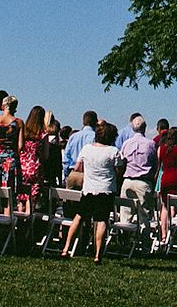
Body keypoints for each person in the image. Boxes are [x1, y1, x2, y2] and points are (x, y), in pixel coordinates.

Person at [62, 119, 122, 262]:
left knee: (79, 217)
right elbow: (119, 171)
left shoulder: (87, 148)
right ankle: (97, 254)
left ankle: (66, 247)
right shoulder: (113, 151)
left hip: (88, 188)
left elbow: (78, 166)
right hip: (106, 189)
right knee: (101, 220)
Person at [119, 112, 157, 212]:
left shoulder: (126, 144)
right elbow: (155, 164)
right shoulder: (151, 144)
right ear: (145, 127)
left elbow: (122, 162)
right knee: (145, 217)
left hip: (127, 181)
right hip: (143, 182)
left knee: (125, 216)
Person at [155, 125, 177, 238]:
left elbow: (159, 166)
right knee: (172, 206)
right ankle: (170, 233)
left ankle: (163, 234)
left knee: (164, 206)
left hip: (164, 177)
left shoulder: (160, 149)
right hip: (175, 179)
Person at [62, 110, 97, 189]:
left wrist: (67, 173)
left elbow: (66, 158)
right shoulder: (95, 137)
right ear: (95, 122)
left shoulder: (73, 137)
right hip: (88, 173)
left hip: (73, 171)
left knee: (70, 199)